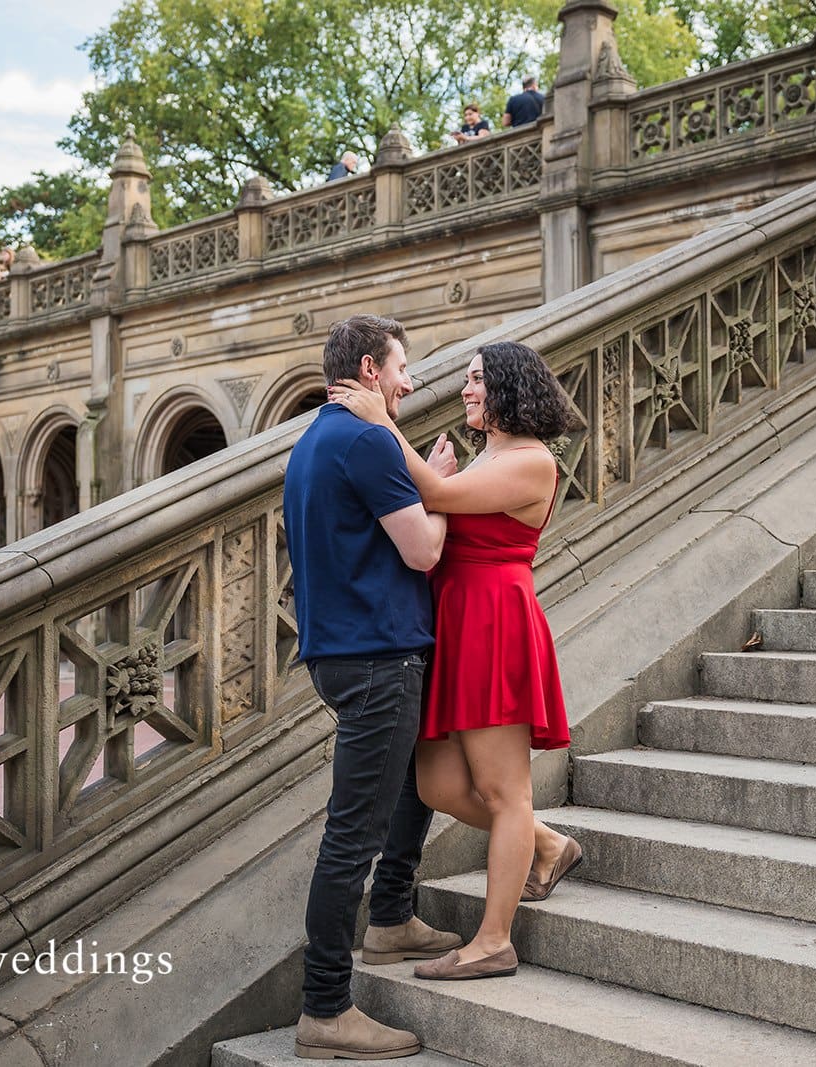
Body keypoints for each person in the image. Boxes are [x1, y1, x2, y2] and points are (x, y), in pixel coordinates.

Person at [329, 340, 583, 983]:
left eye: (476, 381)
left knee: (505, 792)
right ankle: (546, 844)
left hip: (494, 620)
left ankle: (494, 940)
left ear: (508, 388)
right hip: (454, 620)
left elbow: (436, 493)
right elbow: (437, 499)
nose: (465, 390)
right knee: (437, 786)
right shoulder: (491, 454)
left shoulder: (531, 461)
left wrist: (382, 423)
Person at [283, 314, 464, 1060]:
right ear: (367, 368)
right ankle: (325, 1004)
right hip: (376, 659)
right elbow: (422, 548)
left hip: (345, 654)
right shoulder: (364, 438)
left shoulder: (313, 441)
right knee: (349, 833)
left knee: (414, 782)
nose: (409, 381)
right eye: (401, 367)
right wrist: (444, 487)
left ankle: (390, 916)